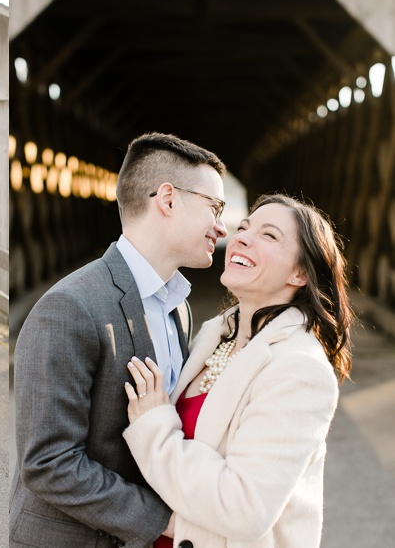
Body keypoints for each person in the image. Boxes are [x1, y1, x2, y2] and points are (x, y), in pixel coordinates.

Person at [11, 132, 228, 547]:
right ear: (167, 199)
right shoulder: (70, 308)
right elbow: (47, 463)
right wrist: (166, 522)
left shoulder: (177, 306)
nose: (221, 226)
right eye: (214, 207)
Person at [123, 193, 353, 548]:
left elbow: (245, 509)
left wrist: (153, 428)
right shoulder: (213, 337)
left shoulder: (299, 369)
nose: (241, 237)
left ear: (300, 272)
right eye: (243, 227)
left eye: (269, 235)